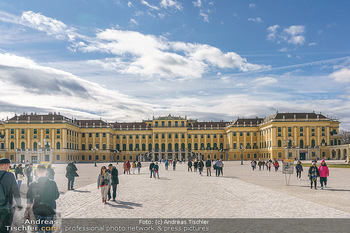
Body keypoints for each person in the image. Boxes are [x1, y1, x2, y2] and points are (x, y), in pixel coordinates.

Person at [26, 164, 59, 233]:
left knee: (40, 228)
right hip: (49, 208)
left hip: (38, 209)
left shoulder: (32, 184)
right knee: (48, 228)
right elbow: (56, 196)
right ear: (46, 172)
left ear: (36, 172)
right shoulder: (53, 183)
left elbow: (29, 199)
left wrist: (27, 211)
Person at [0, 158, 22, 233]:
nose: (10, 166)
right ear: (5, 165)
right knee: (5, 228)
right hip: (7, 207)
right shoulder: (10, 175)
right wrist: (19, 204)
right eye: (9, 165)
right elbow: (15, 191)